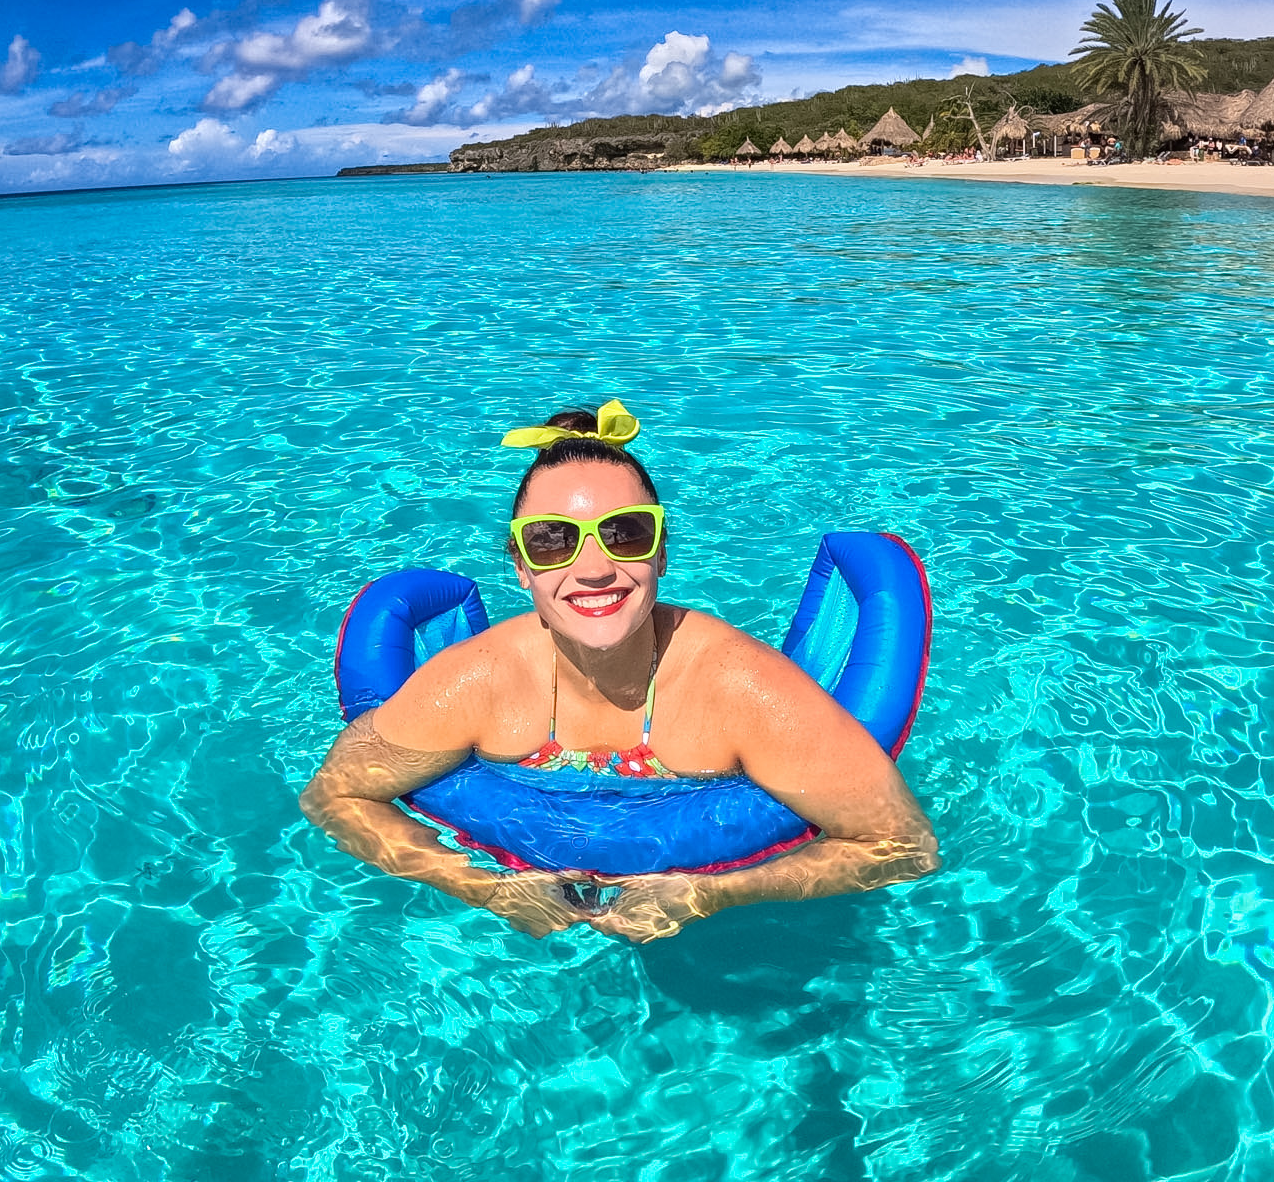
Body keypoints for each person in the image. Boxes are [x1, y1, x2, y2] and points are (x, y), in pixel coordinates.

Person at [299, 404, 939, 943]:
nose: (594, 567)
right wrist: (483, 889)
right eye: (553, 539)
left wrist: (712, 895)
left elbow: (904, 846)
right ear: (522, 567)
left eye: (625, 534)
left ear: (661, 551)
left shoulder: (741, 692)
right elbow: (334, 796)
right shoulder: (477, 683)